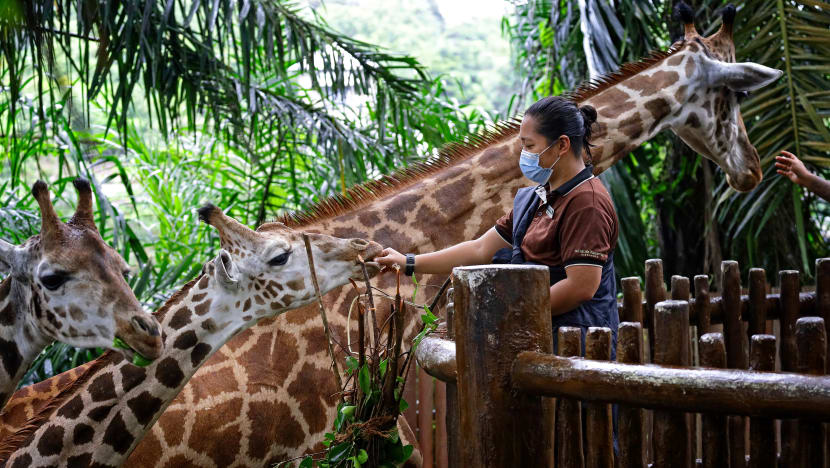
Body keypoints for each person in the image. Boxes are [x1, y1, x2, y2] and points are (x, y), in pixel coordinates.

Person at [375, 95, 620, 353]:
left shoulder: (586, 203)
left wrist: (512, 313)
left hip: (576, 351)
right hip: (536, 340)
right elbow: (480, 248)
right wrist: (409, 263)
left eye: (530, 145)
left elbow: (581, 287)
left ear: (562, 145)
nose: (525, 155)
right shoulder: (534, 199)